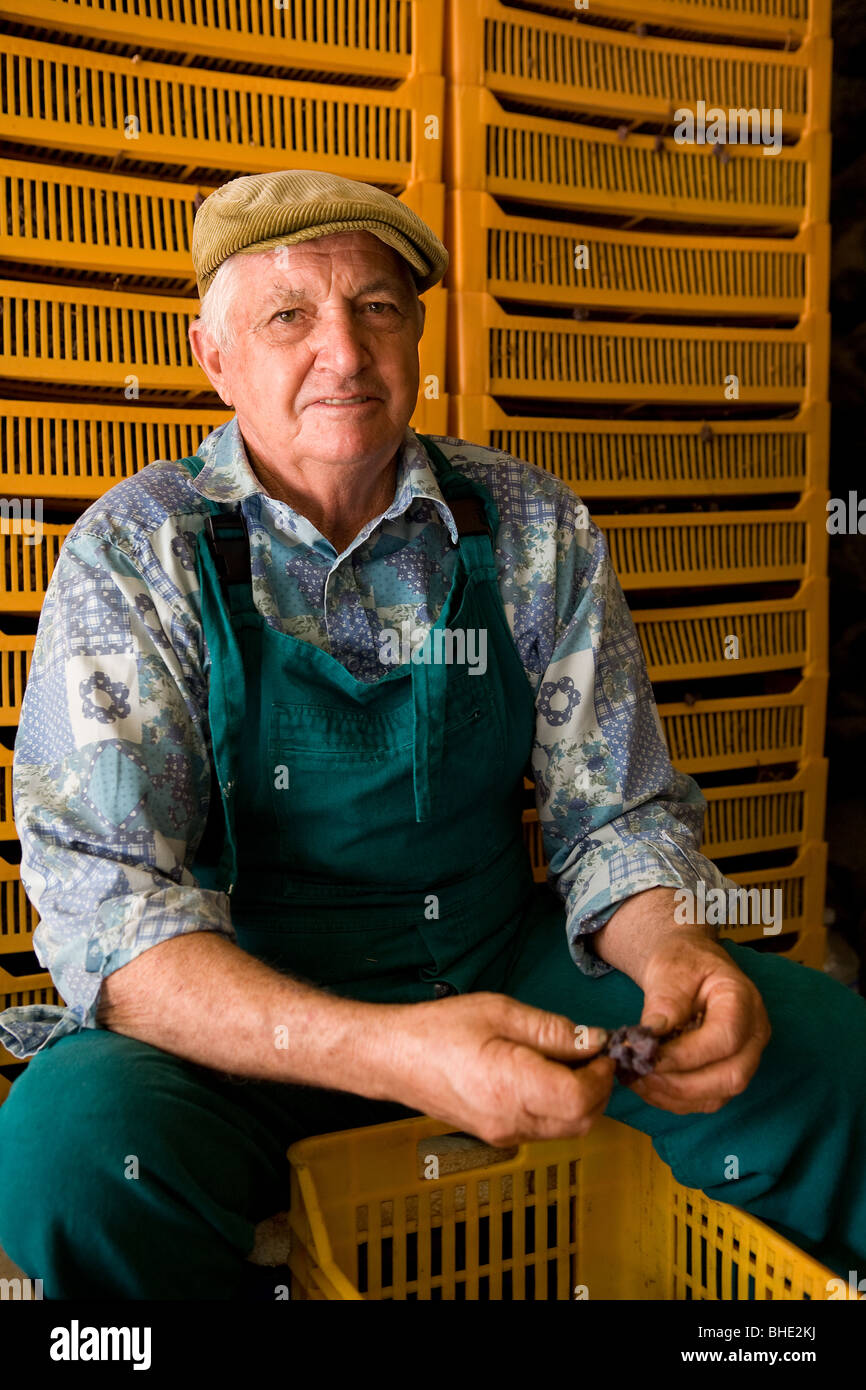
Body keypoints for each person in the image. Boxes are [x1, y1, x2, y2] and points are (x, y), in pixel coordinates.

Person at [0, 170, 863, 1300]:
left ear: (415, 332)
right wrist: (389, 1048)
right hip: (247, 1020)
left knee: (822, 1050)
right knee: (65, 1151)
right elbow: (110, 916)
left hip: (500, 967)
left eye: (378, 309)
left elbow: (616, 816)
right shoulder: (137, 552)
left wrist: (672, 952)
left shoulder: (530, 524)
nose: (346, 355)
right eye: (289, 316)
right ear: (213, 356)